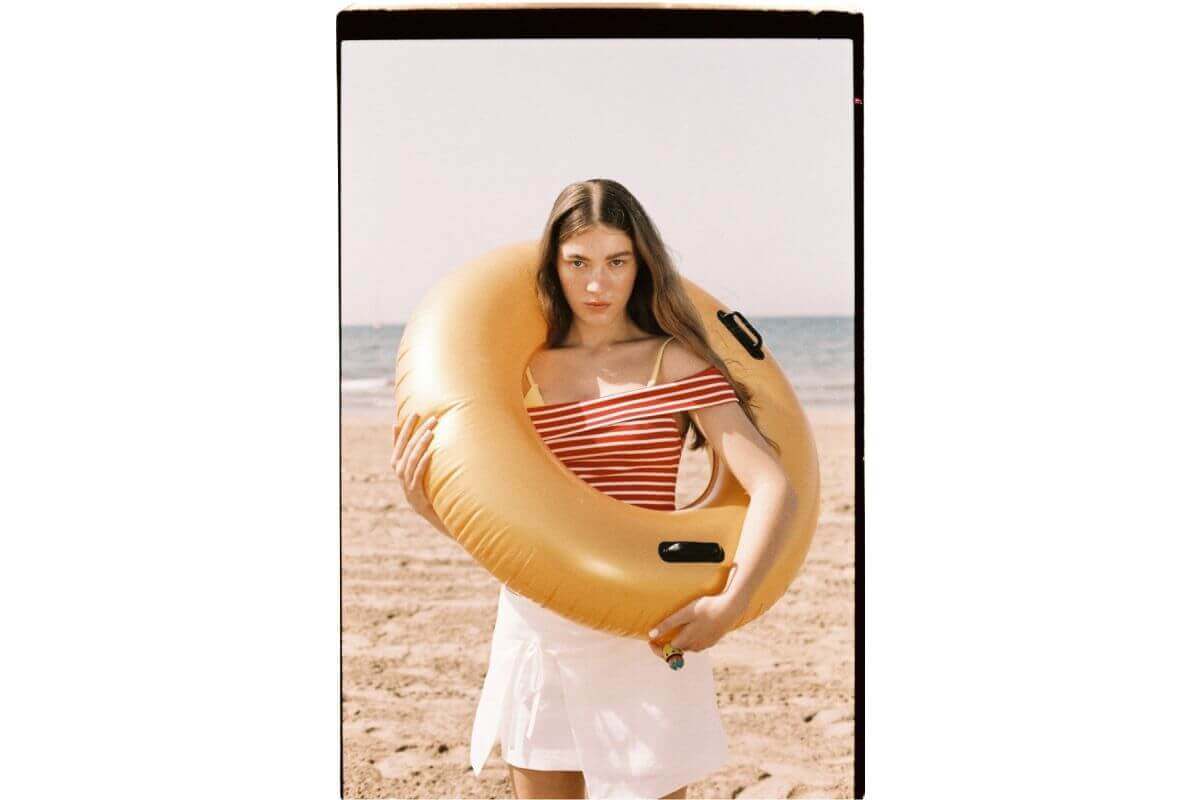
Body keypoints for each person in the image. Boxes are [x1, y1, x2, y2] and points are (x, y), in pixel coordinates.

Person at [390, 179, 799, 799]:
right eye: (578, 263)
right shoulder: (525, 372)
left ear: (641, 265)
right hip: (541, 626)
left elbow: (773, 486)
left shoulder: (673, 363)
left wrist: (729, 606)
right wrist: (432, 509)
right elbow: (518, 524)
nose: (597, 284)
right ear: (554, 266)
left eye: (616, 262)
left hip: (642, 623)